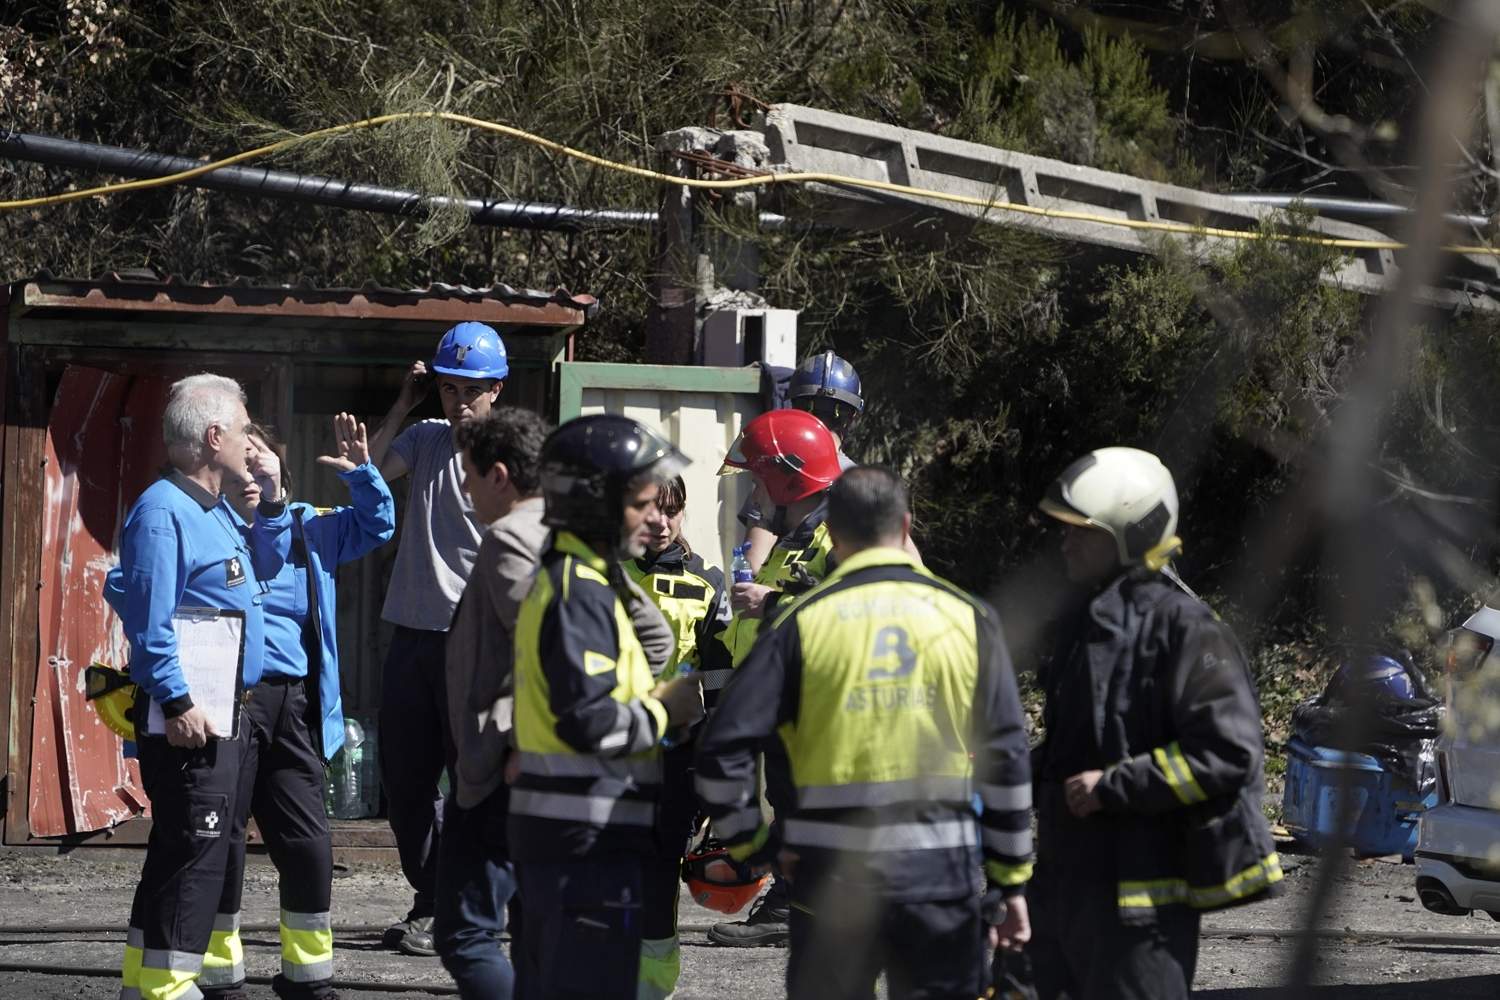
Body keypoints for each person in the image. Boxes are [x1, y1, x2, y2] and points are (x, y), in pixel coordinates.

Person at [694, 466, 1034, 999]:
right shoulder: (968, 616)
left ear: (837, 533)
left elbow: (723, 746)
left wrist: (755, 847)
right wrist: (1011, 877)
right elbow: (1008, 757)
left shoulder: (799, 621)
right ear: (906, 525)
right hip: (939, 877)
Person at [1029, 447, 1283, 1000]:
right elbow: (1073, 753)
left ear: (1130, 534)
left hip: (1142, 915)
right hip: (1062, 894)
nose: (1064, 542)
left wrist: (1116, 786)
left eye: (1082, 531)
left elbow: (1229, 753)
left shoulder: (1186, 630)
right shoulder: (1082, 625)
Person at [507, 414, 706, 1000]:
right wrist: (669, 711)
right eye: (640, 502)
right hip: (580, 840)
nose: (655, 518)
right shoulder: (579, 591)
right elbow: (589, 720)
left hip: (589, 834)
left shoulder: (592, 580)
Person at [214, 415, 395, 999]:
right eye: (240, 458)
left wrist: (364, 474)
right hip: (229, 700)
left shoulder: (310, 525)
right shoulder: (212, 527)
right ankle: (219, 975)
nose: (251, 465)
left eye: (259, 455)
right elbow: (262, 551)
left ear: (279, 466)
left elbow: (380, 525)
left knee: (308, 841)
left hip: (293, 704)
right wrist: (265, 505)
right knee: (224, 841)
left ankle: (308, 978)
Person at [115, 374, 266, 1000]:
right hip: (191, 720)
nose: (249, 441)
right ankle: (167, 990)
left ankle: (142, 985)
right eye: (240, 430)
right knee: (192, 859)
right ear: (212, 437)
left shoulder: (213, 509)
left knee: (185, 854)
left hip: (225, 714)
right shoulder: (162, 512)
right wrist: (176, 702)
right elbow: (149, 628)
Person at [367, 321, 509, 955]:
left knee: (472, 779)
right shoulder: (424, 439)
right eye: (449, 389)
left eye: (471, 390)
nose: (459, 401)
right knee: (404, 782)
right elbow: (368, 469)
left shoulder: (510, 455)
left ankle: (461, 903)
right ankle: (432, 893)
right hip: (412, 638)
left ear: (496, 390)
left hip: (473, 643)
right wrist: (404, 403)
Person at [709, 407, 843, 948]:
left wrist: (775, 600)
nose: (755, 489)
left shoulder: (838, 535)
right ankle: (795, 906)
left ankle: (800, 912)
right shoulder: (794, 529)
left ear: (789, 477)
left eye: (760, 476)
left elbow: (856, 604)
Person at [430, 406, 551, 1000]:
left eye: (470, 477)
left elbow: (551, 649)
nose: (468, 492)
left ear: (499, 475)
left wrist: (528, 742)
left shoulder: (510, 538)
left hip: (506, 770)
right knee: (533, 932)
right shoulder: (577, 533)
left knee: (465, 933)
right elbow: (651, 636)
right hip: (563, 774)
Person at [624, 475, 733, 999]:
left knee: (659, 863)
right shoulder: (601, 573)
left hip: (675, 751)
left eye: (673, 511)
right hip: (607, 747)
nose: (662, 522)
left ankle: (654, 978)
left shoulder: (708, 582)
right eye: (650, 509)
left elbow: (718, 674)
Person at [740, 351, 862, 573]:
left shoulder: (776, 472)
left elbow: (749, 568)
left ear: (794, 408)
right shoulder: (865, 486)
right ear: (852, 417)